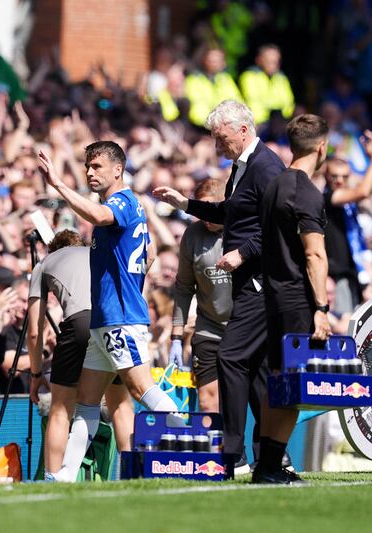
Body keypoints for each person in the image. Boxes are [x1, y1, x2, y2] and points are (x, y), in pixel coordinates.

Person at [154, 99, 286, 470]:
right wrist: (187, 204)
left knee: (230, 357)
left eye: (220, 137)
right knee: (257, 371)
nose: (216, 146)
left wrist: (243, 253)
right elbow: (231, 213)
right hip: (247, 281)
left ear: (243, 130)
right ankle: (270, 457)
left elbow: (277, 225)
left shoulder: (266, 167)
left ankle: (232, 454)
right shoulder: (242, 167)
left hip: (260, 282)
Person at [39, 141, 178, 482]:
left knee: (141, 390)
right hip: (105, 320)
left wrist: (58, 183)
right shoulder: (125, 209)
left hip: (120, 319)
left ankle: (193, 444)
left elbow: (101, 216)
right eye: (87, 166)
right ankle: (64, 477)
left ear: (118, 169)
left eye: (97, 166)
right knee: (86, 403)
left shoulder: (122, 202)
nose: (89, 172)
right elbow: (149, 251)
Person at [255, 114, 330, 484]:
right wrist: (322, 308)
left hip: (272, 296)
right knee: (291, 387)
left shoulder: (275, 185)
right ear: (322, 146)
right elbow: (314, 254)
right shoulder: (306, 192)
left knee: (277, 381)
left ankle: (265, 465)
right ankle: (270, 467)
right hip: (297, 300)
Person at [27, 229, 135, 479]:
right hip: (118, 324)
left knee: (60, 409)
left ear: (53, 250)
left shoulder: (44, 264)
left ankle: (54, 479)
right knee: (120, 404)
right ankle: (132, 475)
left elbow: (34, 332)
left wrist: (35, 373)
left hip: (80, 324)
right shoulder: (99, 254)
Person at [171, 179, 232, 413]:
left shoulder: (243, 231)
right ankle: (216, 448)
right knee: (208, 401)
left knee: (240, 399)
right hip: (209, 330)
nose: (206, 218)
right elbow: (184, 287)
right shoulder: (193, 235)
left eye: (210, 209)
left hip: (243, 329)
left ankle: (239, 449)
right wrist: (177, 335)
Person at [321, 153, 372, 315]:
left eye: (345, 176)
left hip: (354, 275)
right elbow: (363, 191)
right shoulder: (326, 198)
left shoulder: (348, 207)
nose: (340, 181)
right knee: (344, 328)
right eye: (334, 176)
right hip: (337, 277)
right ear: (326, 176)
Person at [239, 45, 295, 125]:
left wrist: (282, 118)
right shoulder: (249, 76)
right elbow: (253, 103)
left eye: (276, 61)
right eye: (270, 61)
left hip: (281, 122)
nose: (274, 65)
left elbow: (289, 103)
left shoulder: (281, 78)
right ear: (259, 60)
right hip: (258, 123)